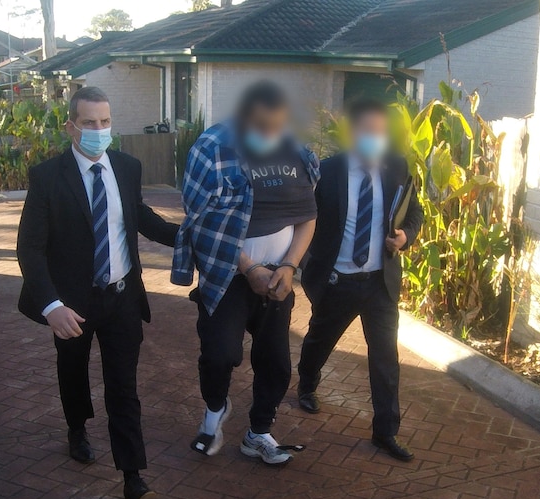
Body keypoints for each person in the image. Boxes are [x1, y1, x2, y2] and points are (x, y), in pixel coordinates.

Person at [16, 86, 179, 499]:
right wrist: (51, 306)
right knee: (73, 371)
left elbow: (138, 215)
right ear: (71, 126)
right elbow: (29, 248)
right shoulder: (47, 177)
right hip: (73, 303)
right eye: (89, 123)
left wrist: (184, 237)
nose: (98, 130)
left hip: (122, 297)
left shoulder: (126, 166)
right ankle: (76, 427)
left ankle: (132, 474)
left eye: (105, 121)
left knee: (123, 386)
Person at [172, 80, 319, 465]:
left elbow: (308, 216)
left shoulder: (295, 150)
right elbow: (201, 221)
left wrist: (288, 267)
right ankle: (216, 408)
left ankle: (258, 433)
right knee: (220, 354)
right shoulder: (214, 148)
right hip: (228, 277)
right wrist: (249, 267)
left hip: (277, 278)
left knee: (276, 363)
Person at [297, 98, 424, 462]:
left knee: (386, 360)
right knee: (320, 339)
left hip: (379, 283)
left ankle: (385, 432)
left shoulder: (397, 168)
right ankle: (307, 381)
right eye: (369, 132)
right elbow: (306, 219)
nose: (376, 139)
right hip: (338, 280)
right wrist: (307, 265)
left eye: (381, 133)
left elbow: (414, 212)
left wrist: (405, 237)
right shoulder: (327, 172)